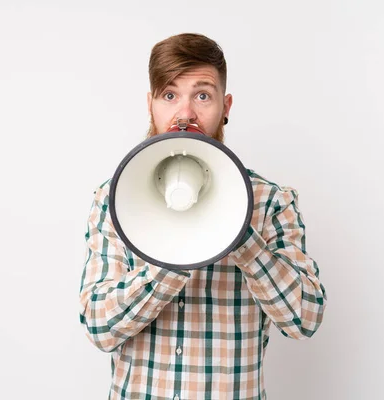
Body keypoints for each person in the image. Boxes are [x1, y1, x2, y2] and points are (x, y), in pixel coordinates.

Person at [79, 33, 327, 400]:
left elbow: (304, 320)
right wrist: (174, 254)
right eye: (169, 95)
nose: (185, 113)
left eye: (202, 95)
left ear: (225, 105)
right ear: (151, 105)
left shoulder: (271, 201)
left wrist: (241, 238)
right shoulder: (113, 198)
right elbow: (100, 328)